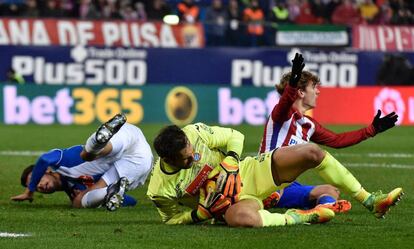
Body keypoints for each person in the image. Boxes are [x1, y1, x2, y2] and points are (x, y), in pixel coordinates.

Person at [147, 121, 403, 227]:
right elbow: (171, 220)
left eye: (192, 153)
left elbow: (235, 136)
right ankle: (302, 217)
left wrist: (231, 161)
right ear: (168, 159)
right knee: (244, 219)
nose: (193, 159)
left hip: (247, 171)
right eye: (186, 159)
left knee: (311, 152)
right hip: (230, 205)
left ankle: (371, 201)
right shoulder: (159, 190)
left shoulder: (195, 133)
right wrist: (199, 214)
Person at [261, 53, 400, 213]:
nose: (318, 92)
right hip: (266, 175)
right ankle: (368, 200)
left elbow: (337, 140)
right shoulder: (282, 115)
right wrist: (292, 84)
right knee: (313, 150)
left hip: (286, 185)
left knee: (331, 191)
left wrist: (371, 130)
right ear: (300, 92)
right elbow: (285, 103)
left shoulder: (309, 124)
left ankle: (320, 211)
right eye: (314, 87)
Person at [11, 113, 153, 211]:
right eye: (36, 188)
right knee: (79, 201)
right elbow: (132, 201)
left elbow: (43, 159)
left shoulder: (58, 163)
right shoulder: (74, 190)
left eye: (37, 180)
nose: (39, 186)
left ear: (47, 171)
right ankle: (108, 191)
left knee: (87, 156)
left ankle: (98, 142)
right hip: (138, 161)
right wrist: (103, 198)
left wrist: (29, 191)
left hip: (124, 136)